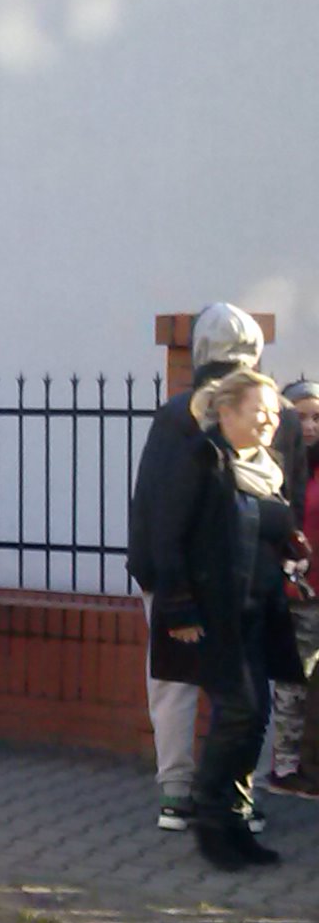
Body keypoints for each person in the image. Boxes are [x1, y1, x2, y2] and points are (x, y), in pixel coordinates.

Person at [129, 303, 310, 832]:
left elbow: (155, 503)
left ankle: (178, 794)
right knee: (252, 687)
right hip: (250, 574)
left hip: (178, 574)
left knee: (174, 683)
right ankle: (239, 795)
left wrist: (153, 576)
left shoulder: (176, 412)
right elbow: (288, 499)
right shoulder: (279, 413)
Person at [152, 369, 303, 869]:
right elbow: (168, 537)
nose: (270, 419)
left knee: (254, 717)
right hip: (216, 614)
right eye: (259, 410)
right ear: (227, 412)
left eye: (275, 412)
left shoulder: (267, 466)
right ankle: (212, 822)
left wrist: (290, 544)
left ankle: (236, 822)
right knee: (238, 713)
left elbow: (264, 526)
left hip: (261, 609)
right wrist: (179, 609)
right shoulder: (202, 461)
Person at [270, 381, 319, 800]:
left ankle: (309, 764)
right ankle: (283, 766)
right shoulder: (278, 464)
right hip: (297, 591)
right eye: (301, 415)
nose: (309, 425)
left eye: (317, 417)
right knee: (293, 682)